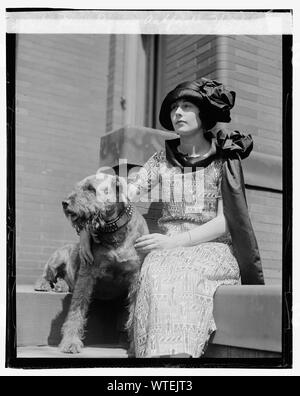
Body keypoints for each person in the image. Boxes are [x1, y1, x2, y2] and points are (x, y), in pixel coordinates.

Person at [80, 78, 264, 358]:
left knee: (186, 275)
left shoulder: (223, 159)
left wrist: (176, 242)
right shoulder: (160, 160)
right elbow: (123, 193)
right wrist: (87, 231)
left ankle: (181, 359)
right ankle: (156, 361)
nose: (177, 112)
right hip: (165, 247)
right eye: (174, 107)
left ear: (204, 115)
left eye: (186, 106)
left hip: (211, 248)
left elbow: (227, 220)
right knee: (155, 270)